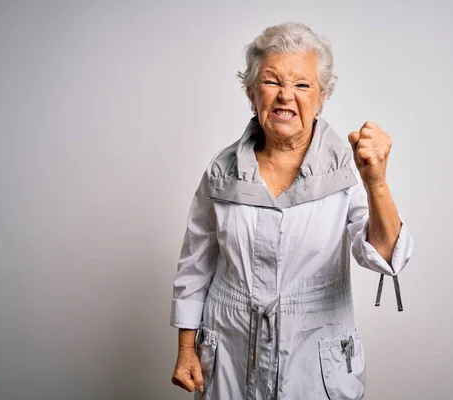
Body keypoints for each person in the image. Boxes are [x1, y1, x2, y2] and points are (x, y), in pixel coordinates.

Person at [170, 22, 414, 400]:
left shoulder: (347, 171)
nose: (286, 96)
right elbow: (196, 265)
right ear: (252, 94)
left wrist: (377, 182)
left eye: (302, 85)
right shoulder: (221, 171)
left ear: (321, 97)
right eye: (271, 82)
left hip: (316, 360)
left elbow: (384, 257)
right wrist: (186, 349)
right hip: (230, 357)